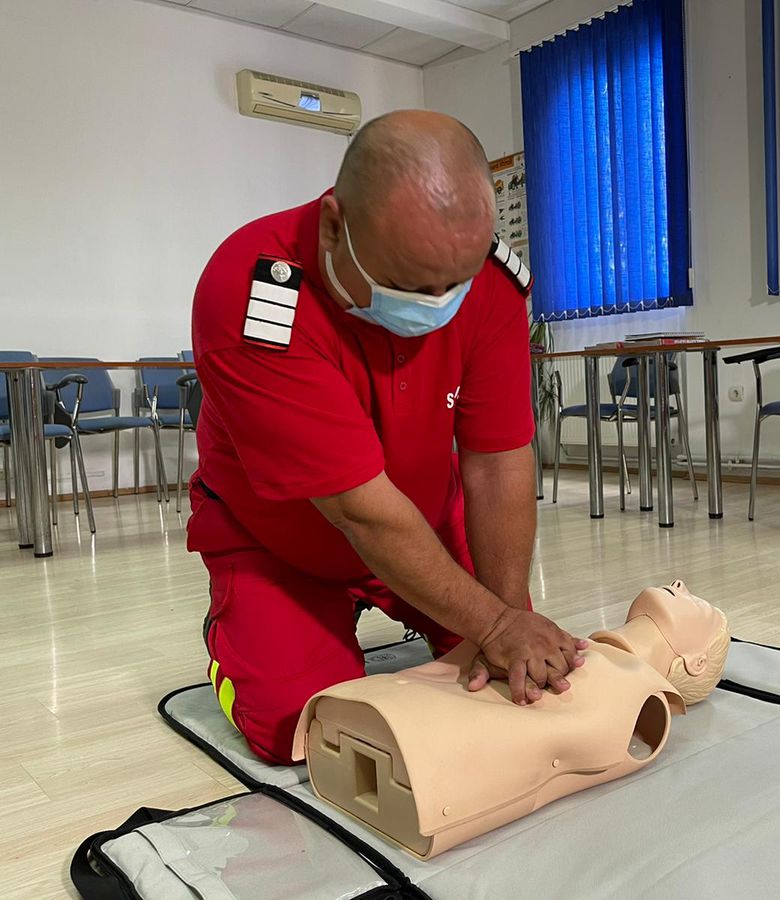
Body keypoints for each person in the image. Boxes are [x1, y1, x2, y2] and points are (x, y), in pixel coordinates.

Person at [188, 110, 586, 766]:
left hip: (426, 526)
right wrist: (487, 623)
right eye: (407, 286)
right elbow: (358, 510)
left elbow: (497, 462)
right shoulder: (254, 295)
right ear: (336, 225)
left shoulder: (485, 276)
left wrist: (507, 614)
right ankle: (235, 638)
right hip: (281, 544)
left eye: (452, 287)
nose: (435, 304)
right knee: (300, 734)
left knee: (520, 688)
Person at [298, 581, 731, 859]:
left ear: (695, 664)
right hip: (371, 710)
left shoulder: (640, 692)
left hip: (417, 759)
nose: (680, 584)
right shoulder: (595, 659)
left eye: (698, 601)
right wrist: (498, 626)